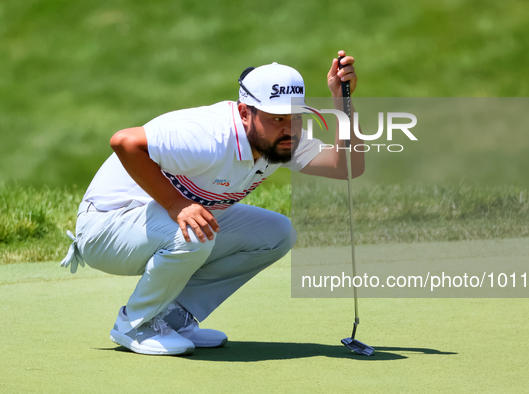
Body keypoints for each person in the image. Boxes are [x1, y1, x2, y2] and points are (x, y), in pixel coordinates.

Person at [60, 50, 362, 356]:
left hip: (154, 225)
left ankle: (172, 315)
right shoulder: (208, 136)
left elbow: (346, 167)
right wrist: (176, 204)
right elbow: (124, 142)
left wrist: (342, 103)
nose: (289, 129)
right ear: (245, 113)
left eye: (296, 118)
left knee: (276, 233)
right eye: (277, 118)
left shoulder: (280, 139)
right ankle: (135, 324)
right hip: (106, 228)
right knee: (194, 229)